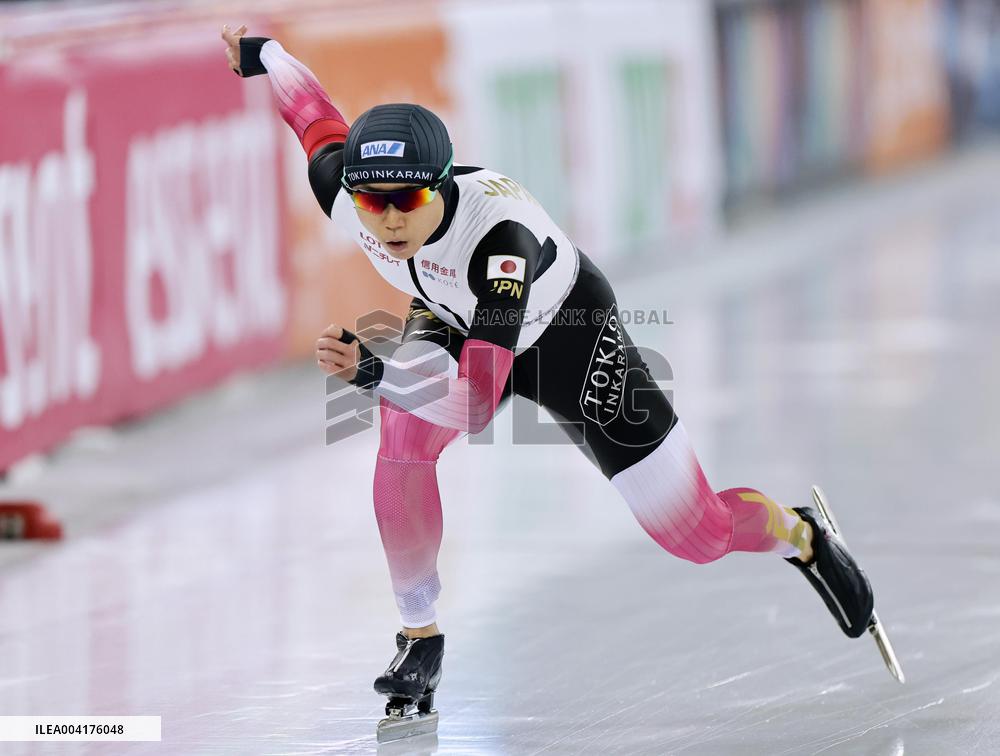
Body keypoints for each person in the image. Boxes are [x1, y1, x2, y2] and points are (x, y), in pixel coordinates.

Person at [222, 24, 876, 740]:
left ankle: (799, 534)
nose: (389, 220)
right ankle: (419, 636)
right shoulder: (350, 196)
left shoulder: (499, 243)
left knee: (696, 532)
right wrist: (265, 55)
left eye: (407, 201)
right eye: (372, 203)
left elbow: (475, 405)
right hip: (454, 316)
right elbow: (313, 116)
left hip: (567, 335)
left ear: (443, 186)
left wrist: (374, 371)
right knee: (401, 432)